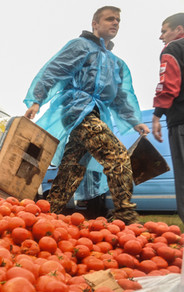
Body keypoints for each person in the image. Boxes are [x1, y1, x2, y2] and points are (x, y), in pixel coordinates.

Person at [23, 6, 150, 225]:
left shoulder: (115, 63)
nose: (115, 23)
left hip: (96, 114)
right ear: (95, 24)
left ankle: (46, 215)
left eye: (118, 20)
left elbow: (120, 96)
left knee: (72, 168)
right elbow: (54, 70)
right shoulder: (81, 46)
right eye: (110, 19)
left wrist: (135, 121)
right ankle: (125, 215)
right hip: (76, 110)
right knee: (116, 155)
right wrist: (37, 100)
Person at [152, 13, 184, 223]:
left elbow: (168, 86)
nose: (161, 36)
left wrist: (156, 115)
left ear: (179, 30)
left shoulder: (173, 49)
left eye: (164, 31)